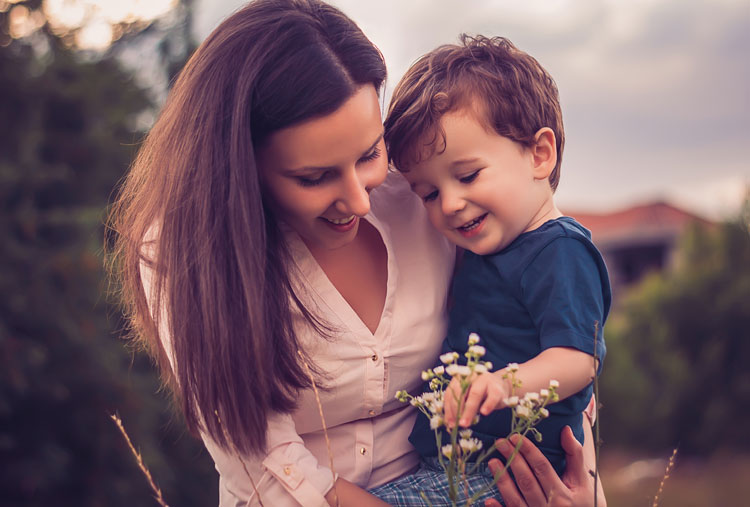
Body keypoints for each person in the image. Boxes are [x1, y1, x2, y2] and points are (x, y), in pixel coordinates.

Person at [108, 1, 605, 505]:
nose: (361, 199)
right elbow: (262, 462)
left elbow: (551, 351)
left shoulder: (428, 196)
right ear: (241, 167)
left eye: (370, 154)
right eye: (315, 177)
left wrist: (581, 493)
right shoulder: (183, 257)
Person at [371, 35, 611, 505]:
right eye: (429, 193)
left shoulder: (560, 250)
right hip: (466, 463)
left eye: (467, 175)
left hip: (509, 472)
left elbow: (577, 359)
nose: (451, 204)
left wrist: (503, 386)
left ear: (540, 154)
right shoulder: (492, 249)